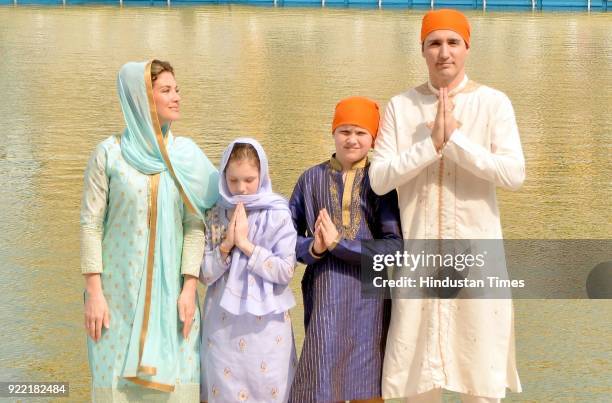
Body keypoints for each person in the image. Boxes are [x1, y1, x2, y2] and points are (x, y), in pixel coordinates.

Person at [369, 9, 525, 403]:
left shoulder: (493, 103)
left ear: (467, 48)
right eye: (434, 43)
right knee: (417, 380)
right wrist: (430, 146)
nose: (444, 53)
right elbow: (379, 177)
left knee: (480, 378)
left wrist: (455, 142)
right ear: (422, 50)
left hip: (477, 257)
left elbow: (513, 174)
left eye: (453, 42)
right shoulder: (401, 107)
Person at [80, 60, 219, 401]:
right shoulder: (109, 154)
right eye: (166, 90)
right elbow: (90, 224)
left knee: (178, 384)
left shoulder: (185, 156)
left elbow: (195, 225)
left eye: (177, 90)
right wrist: (95, 294)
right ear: (142, 97)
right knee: (115, 387)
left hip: (174, 299)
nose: (176, 98)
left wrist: (189, 289)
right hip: (116, 299)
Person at [288, 97, 402, 403]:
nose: (352, 139)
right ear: (333, 131)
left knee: (369, 386)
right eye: (345, 131)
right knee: (322, 381)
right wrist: (314, 246)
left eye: (361, 133)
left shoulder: (381, 182)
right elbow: (285, 239)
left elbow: (394, 249)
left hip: (371, 303)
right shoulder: (310, 179)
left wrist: (341, 245)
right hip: (326, 293)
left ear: (374, 138)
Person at [200, 138, 297, 403]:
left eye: (249, 179)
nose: (241, 189)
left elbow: (285, 271)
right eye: (233, 181)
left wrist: (246, 246)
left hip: (268, 331)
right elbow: (205, 275)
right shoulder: (215, 212)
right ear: (223, 176)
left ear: (262, 175)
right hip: (222, 330)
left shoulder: (278, 213)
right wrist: (227, 245)